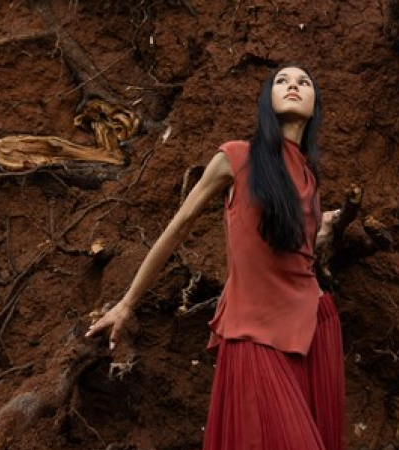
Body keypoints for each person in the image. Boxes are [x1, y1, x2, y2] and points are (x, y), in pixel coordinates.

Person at [86, 64, 345, 450]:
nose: (293, 86)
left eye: (304, 82)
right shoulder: (236, 157)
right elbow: (178, 227)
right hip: (253, 332)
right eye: (282, 81)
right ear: (267, 102)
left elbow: (298, 252)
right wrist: (126, 304)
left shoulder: (309, 177)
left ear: (315, 104)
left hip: (312, 326)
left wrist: (327, 224)